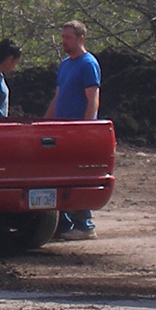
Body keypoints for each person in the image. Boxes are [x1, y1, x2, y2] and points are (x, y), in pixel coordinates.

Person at [44, 20, 101, 240]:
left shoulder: (88, 64)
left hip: (76, 130)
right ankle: (63, 224)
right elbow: (58, 96)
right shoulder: (65, 64)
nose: (64, 42)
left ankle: (84, 224)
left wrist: (87, 128)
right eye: (62, 37)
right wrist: (45, 122)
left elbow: (92, 99)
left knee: (76, 175)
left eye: (68, 38)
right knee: (58, 175)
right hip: (60, 130)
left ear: (81, 39)